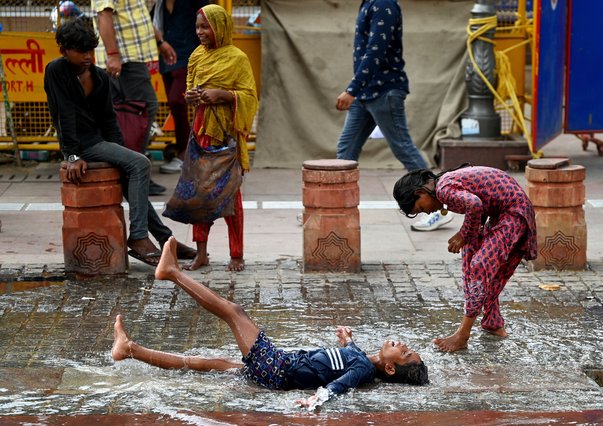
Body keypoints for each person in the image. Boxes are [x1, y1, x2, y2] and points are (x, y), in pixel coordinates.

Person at [112, 236, 429, 409]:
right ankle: (129, 349)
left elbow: (337, 386)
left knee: (234, 312)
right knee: (207, 363)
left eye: (404, 353)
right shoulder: (361, 359)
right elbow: (349, 354)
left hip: (277, 367)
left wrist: (316, 400)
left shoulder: (360, 370)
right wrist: (346, 337)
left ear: (390, 368)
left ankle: (172, 273)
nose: (403, 345)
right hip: (277, 373)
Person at [44, 18, 196, 266]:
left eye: (90, 51)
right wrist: (71, 156)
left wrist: (121, 152)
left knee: (131, 171)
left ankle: (166, 239)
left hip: (99, 141)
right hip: (81, 145)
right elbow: (64, 114)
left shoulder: (100, 77)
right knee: (140, 164)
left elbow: (109, 120)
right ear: (63, 49)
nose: (87, 56)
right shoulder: (56, 71)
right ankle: (138, 238)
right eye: (80, 51)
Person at [393, 164, 537, 352]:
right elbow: (484, 198)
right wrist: (471, 236)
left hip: (513, 214)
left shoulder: (443, 189)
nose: (427, 213)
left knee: (480, 265)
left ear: (421, 192)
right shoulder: (444, 186)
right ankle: (493, 323)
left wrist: (463, 234)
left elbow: (475, 204)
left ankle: (463, 334)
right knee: (470, 257)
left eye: (421, 208)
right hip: (498, 214)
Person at [335, 0, 451, 232]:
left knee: (403, 148)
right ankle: (332, 206)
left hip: (384, 91)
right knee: (346, 149)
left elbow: (375, 50)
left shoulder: (383, 4)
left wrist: (352, 89)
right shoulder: (370, 3)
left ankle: (439, 209)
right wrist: (358, 90)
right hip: (367, 93)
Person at [175, 4, 258, 272]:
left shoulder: (237, 58)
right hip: (201, 134)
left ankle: (236, 254)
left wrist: (224, 96)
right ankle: (201, 253)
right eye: (198, 27)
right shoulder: (196, 56)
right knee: (201, 195)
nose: (200, 32)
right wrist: (191, 97)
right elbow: (191, 90)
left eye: (205, 27)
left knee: (231, 195)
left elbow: (249, 96)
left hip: (226, 137)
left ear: (220, 28)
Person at [92, 0, 167, 195]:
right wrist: (113, 54)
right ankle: (134, 171)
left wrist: (160, 41)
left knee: (127, 116)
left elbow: (136, 13)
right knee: (142, 110)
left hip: (130, 57)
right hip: (124, 59)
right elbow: (104, 16)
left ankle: (128, 171)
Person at [151, 0, 209, 174]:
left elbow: (207, 23)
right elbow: (151, 24)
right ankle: (182, 148)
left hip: (189, 57)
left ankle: (185, 153)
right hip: (167, 59)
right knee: (174, 105)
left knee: (178, 101)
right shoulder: (159, 4)